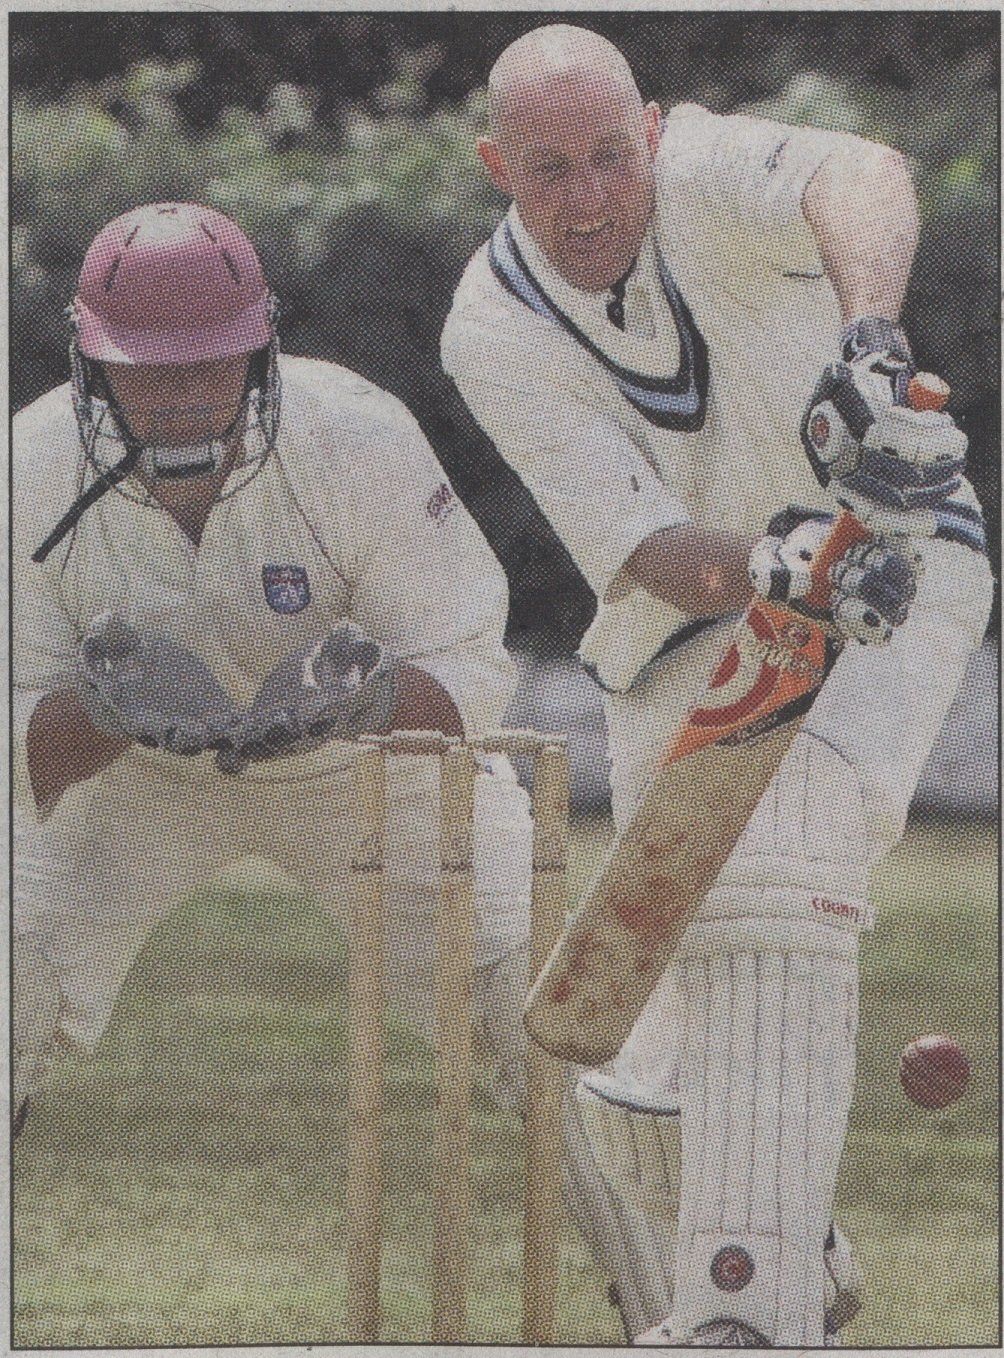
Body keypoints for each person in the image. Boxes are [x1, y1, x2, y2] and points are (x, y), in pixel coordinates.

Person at [440, 25, 992, 1346]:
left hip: (899, 564)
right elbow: (649, 552)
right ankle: (798, 1248)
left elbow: (866, 172)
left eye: (609, 159)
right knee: (639, 1098)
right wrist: (773, 564)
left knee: (778, 853)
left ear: (651, 132)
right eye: (549, 172)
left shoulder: (704, 169)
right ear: (497, 167)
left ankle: (744, 1314)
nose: (589, 200)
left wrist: (869, 340)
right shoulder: (491, 328)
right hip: (690, 624)